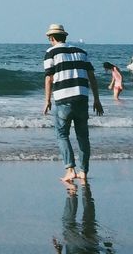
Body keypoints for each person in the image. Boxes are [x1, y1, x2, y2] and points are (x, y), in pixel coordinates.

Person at [43, 24, 105, 184]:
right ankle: (83, 172)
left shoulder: (51, 53)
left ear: (52, 38)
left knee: (62, 134)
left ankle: (70, 170)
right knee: (83, 136)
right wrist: (97, 99)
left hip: (63, 98)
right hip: (82, 98)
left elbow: (49, 78)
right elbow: (92, 77)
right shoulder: (81, 52)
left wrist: (47, 100)